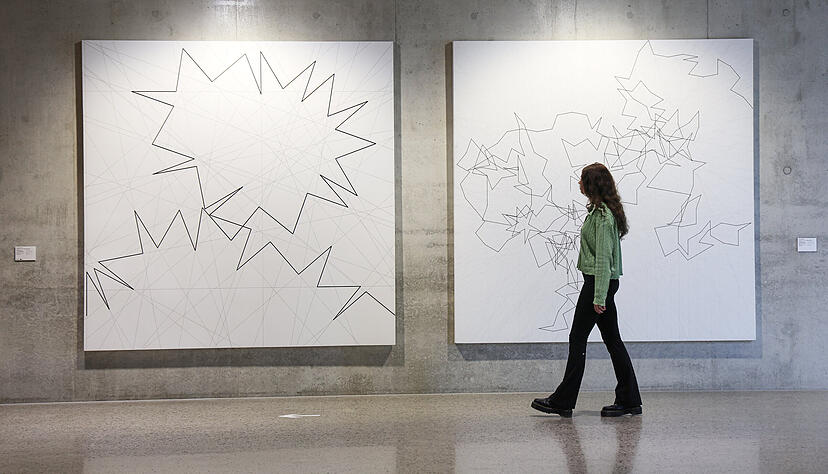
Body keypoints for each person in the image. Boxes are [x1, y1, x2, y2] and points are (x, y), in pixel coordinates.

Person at [531, 162, 642, 418]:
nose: (579, 184)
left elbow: (603, 259)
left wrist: (599, 296)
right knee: (613, 340)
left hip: (597, 284)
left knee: (577, 338)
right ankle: (629, 399)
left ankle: (563, 401)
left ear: (591, 184)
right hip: (601, 283)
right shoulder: (598, 212)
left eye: (582, 180)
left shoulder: (603, 217)